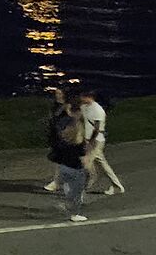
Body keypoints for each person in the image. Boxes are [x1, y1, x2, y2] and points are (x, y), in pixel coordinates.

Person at [47, 93, 91, 222]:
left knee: (68, 187)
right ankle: (75, 213)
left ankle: (67, 202)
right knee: (76, 193)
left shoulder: (63, 140)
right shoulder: (80, 145)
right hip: (76, 169)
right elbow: (83, 159)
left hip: (63, 167)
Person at [78, 88, 124, 195]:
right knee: (102, 164)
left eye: (82, 96)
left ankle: (87, 183)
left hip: (96, 141)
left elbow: (97, 129)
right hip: (89, 140)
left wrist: (90, 142)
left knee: (85, 162)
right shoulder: (84, 107)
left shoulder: (98, 110)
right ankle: (116, 185)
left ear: (89, 97)